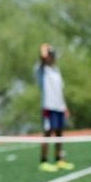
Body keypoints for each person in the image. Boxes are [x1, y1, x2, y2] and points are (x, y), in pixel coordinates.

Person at [36, 43, 72, 172]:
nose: (52, 57)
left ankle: (59, 159)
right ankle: (43, 161)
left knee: (59, 133)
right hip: (48, 107)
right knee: (47, 132)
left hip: (59, 107)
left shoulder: (56, 70)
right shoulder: (41, 70)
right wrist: (44, 48)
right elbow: (42, 57)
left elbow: (60, 90)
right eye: (50, 55)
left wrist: (65, 106)